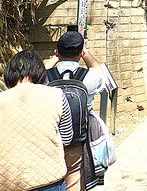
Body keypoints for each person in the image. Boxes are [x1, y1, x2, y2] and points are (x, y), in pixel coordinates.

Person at [0, 50, 73, 191]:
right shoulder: (57, 96)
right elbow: (67, 138)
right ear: (41, 73)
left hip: (2, 184)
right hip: (49, 182)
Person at [47, 30, 106, 191]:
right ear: (81, 52)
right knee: (74, 179)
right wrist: (85, 54)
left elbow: (34, 77)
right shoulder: (90, 77)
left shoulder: (44, 77)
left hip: (50, 142)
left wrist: (55, 58)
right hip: (77, 141)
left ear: (57, 51)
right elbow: (99, 71)